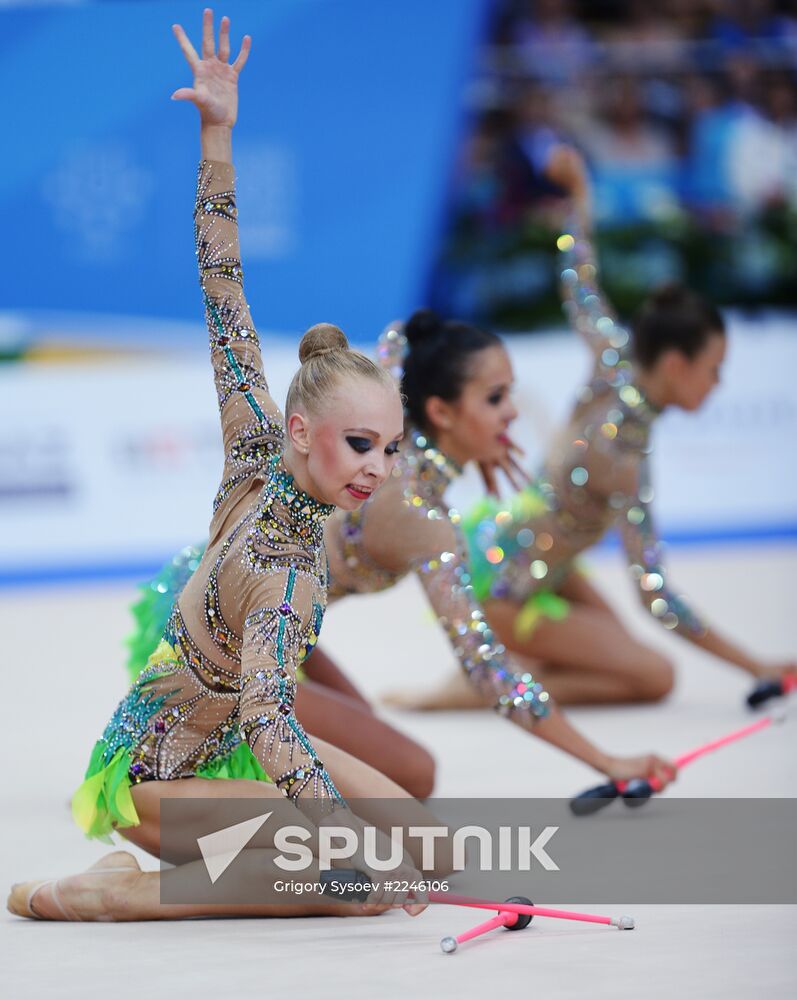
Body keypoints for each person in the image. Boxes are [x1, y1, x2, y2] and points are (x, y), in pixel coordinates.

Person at [8, 10, 434, 923]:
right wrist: (355, 848)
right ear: (300, 430)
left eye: (389, 448)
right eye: (360, 445)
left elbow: (223, 285)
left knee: (420, 835)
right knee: (348, 882)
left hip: (215, 750)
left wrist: (217, 132)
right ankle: (121, 893)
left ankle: (238, 862)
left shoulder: (254, 451)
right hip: (160, 771)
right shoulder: (283, 566)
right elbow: (276, 720)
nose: (376, 469)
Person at [384, 146, 796, 712]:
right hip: (505, 586)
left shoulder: (614, 364)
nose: (718, 385)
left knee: (632, 667)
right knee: (653, 676)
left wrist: (580, 198)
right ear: (676, 365)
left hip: (534, 561)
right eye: (713, 370)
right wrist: (757, 665)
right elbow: (655, 595)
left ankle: (510, 667)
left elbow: (579, 283)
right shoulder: (622, 461)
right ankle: (478, 689)